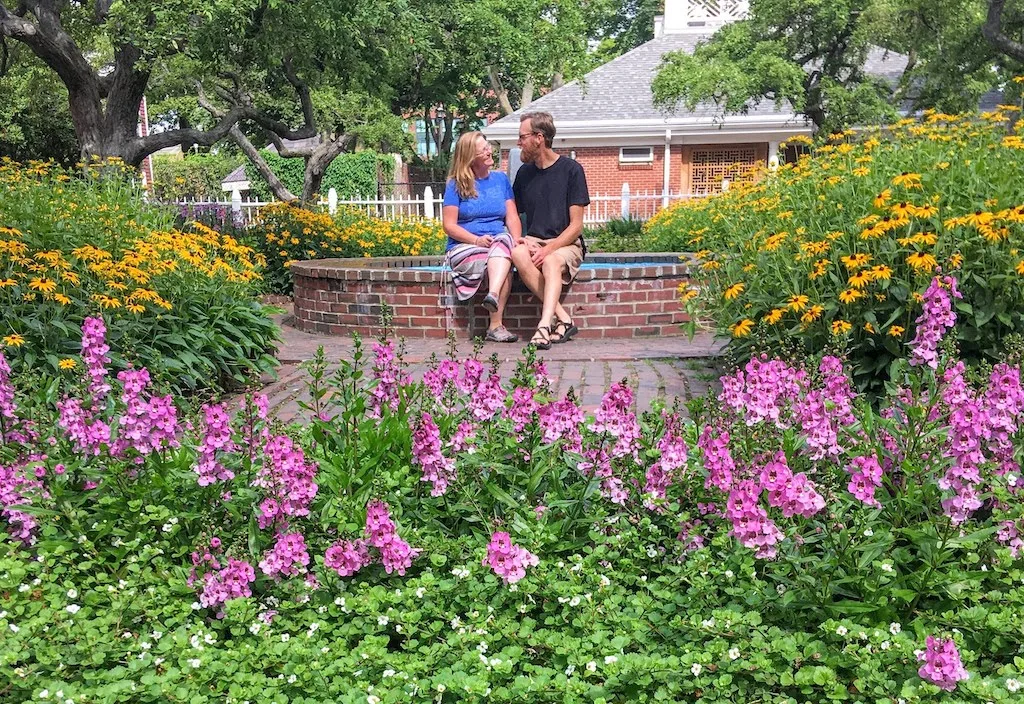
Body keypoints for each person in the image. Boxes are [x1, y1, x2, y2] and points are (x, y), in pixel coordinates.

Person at [511, 112, 590, 350]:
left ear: (539, 137)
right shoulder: (524, 174)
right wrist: (522, 240)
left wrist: (550, 249)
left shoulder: (571, 170)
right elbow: (514, 214)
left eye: (522, 137)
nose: (518, 143)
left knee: (551, 261)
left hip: (565, 243)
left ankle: (544, 325)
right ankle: (564, 318)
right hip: (536, 240)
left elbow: (576, 226)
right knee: (517, 254)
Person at [442, 131, 522, 342]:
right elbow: (449, 226)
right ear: (470, 156)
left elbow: (512, 217)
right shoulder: (455, 184)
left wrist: (517, 239)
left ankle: (492, 298)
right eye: (484, 149)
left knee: (505, 243)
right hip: (464, 245)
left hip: (498, 243)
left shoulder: (500, 180)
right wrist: (476, 240)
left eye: (489, 147)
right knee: (502, 259)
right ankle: (495, 324)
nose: (490, 152)